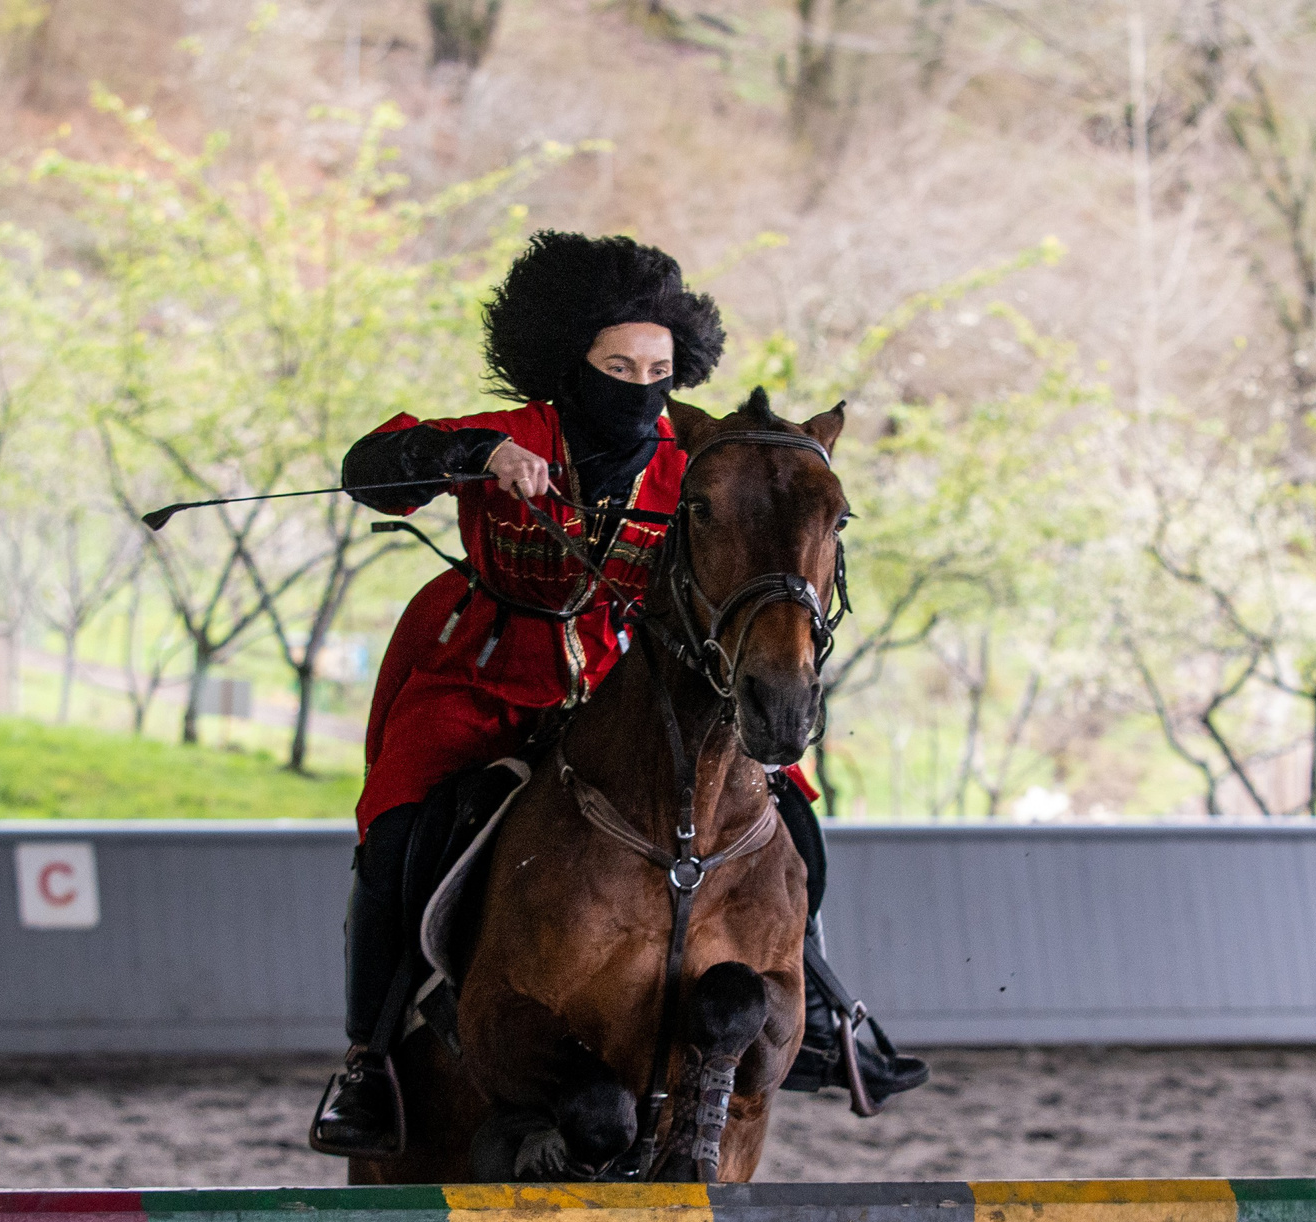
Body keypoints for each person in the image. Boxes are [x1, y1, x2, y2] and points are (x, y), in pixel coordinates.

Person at [310, 230, 926, 1159]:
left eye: (659, 368)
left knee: (788, 816)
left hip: (622, 682)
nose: (641, 386)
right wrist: (476, 455)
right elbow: (371, 468)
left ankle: (821, 1015)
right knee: (401, 826)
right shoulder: (519, 435)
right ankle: (371, 1055)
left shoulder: (695, 458)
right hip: (487, 670)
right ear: (574, 363)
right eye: (618, 364)